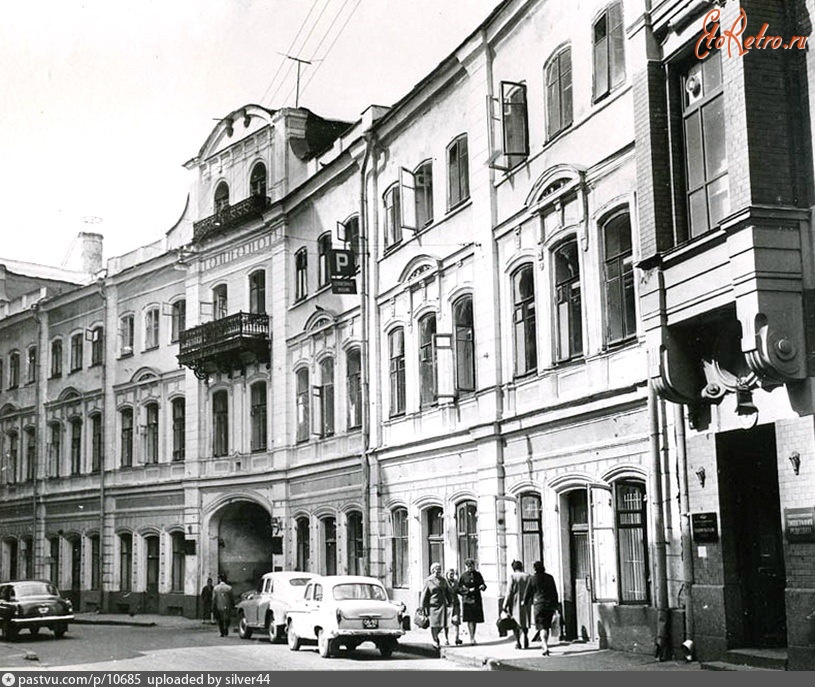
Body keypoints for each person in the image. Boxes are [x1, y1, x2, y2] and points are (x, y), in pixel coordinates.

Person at [524, 560, 559, 656]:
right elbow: (554, 592)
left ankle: (544, 645)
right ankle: (545, 644)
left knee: (541, 626)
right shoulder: (550, 578)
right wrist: (556, 605)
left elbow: (528, 592)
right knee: (546, 626)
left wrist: (525, 602)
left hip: (538, 605)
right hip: (549, 605)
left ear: (535, 569)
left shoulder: (532, 579)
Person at [420, 562, 455, 650]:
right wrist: (422, 606)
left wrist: (450, 601)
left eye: (439, 570)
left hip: (442, 604)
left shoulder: (443, 580)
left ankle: (436, 636)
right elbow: (424, 594)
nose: (438, 572)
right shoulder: (428, 581)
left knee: (441, 624)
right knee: (434, 624)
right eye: (436, 570)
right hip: (432, 605)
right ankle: (435, 640)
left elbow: (447, 592)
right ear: (432, 570)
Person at [503, 559, 532, 650]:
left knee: (515, 622)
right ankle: (526, 637)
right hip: (526, 602)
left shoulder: (512, 576)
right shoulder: (527, 576)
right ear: (521, 567)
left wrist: (505, 604)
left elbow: (509, 592)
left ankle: (518, 642)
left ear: (513, 568)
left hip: (515, 601)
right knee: (525, 620)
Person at [457, 558, 486, 645]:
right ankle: (472, 637)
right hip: (467, 600)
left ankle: (473, 636)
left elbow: (483, 584)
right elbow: (459, 588)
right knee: (470, 619)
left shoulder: (478, 575)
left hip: (476, 598)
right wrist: (467, 591)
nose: (470, 568)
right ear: (466, 566)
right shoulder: (463, 576)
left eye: (471, 566)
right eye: (468, 566)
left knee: (475, 619)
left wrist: (482, 586)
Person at [211, 573, 235, 638]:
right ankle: (226, 627)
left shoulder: (216, 588)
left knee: (220, 620)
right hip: (227, 606)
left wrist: (213, 607)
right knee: (227, 618)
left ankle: (222, 632)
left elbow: (214, 599)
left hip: (219, 606)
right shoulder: (229, 588)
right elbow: (231, 598)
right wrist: (233, 605)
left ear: (219, 579)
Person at [444, 568, 463, 646]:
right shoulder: (444, 582)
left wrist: (465, 591)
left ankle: (457, 638)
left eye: (453, 574)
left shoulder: (456, 582)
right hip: (447, 605)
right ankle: (446, 639)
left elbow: (459, 590)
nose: (451, 575)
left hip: (455, 604)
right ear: (447, 575)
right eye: (450, 574)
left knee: (456, 621)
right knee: (446, 623)